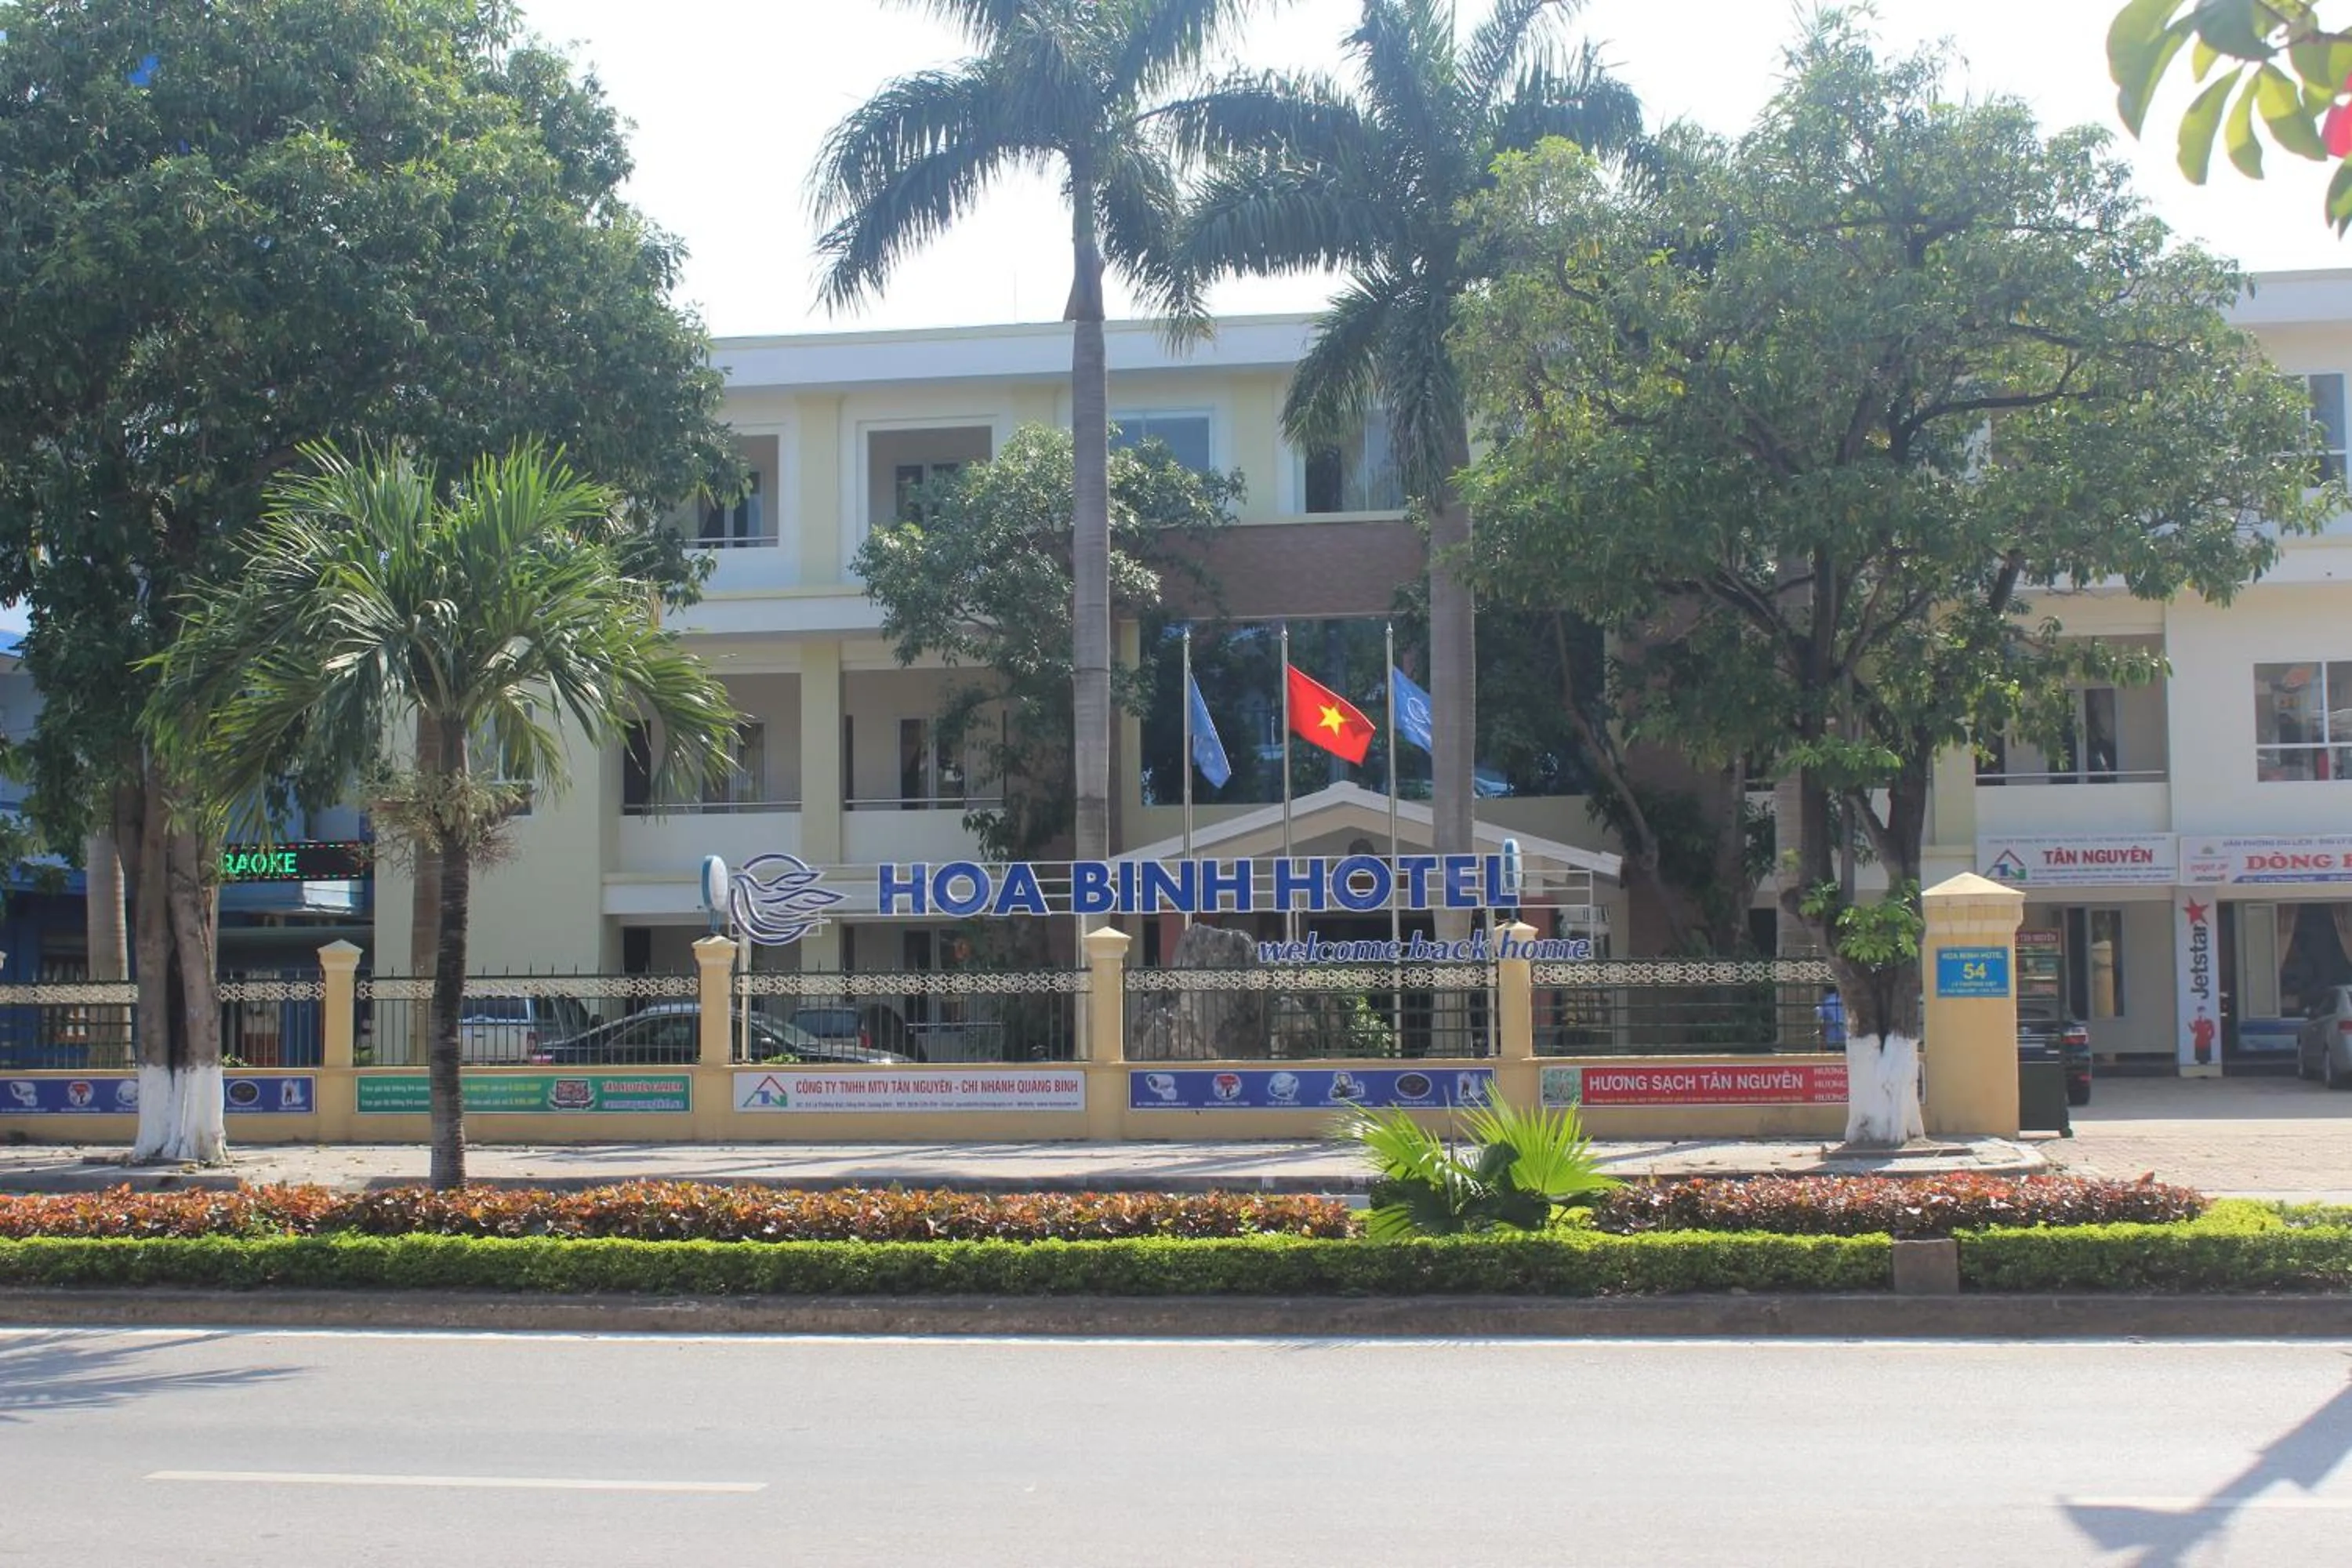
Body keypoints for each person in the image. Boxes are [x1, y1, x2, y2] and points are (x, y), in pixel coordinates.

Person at [1817, 985, 1846, 1050]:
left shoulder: (1825, 1003)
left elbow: (1821, 1022)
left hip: (1832, 1040)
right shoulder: (1844, 1002)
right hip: (1847, 1040)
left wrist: (1821, 1040)